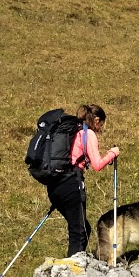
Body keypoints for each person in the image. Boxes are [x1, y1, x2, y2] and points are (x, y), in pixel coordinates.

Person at [45, 103, 119, 257]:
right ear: (96, 120)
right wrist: (112, 153)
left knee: (82, 227)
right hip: (71, 184)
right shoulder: (88, 134)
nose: (100, 128)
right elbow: (97, 165)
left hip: (54, 185)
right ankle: (74, 271)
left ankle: (74, 263)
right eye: (101, 124)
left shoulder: (73, 131)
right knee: (79, 232)